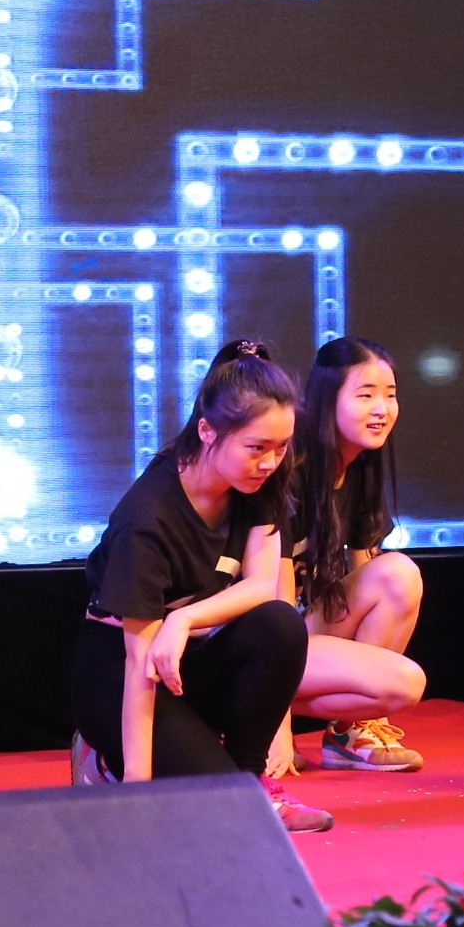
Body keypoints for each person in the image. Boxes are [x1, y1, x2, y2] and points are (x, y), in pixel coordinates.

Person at [70, 344, 320, 825]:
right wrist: (138, 787)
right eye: (256, 448)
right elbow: (140, 661)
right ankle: (107, 761)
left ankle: (250, 782)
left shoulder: (260, 481)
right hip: (120, 672)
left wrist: (182, 619)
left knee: (279, 623)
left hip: (186, 660)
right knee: (215, 809)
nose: (270, 462)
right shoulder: (147, 518)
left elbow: (262, 585)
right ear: (207, 431)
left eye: (281, 446)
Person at [272, 337, 429, 772]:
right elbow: (273, 613)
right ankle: (252, 719)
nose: (382, 409)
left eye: (390, 395)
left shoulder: (360, 466)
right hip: (250, 644)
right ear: (327, 399)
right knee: (399, 681)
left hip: (301, 632)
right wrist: (276, 730)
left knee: (397, 574)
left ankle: (350, 732)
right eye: (365, 395)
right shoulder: (289, 471)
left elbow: (366, 576)